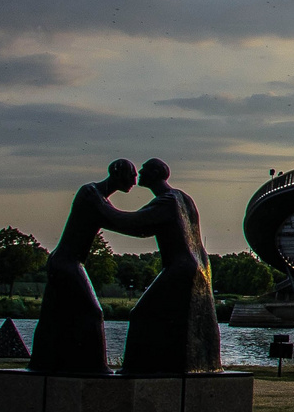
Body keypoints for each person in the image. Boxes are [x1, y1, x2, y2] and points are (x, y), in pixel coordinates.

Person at [99, 158, 221, 374]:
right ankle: (180, 364)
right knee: (182, 322)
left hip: (180, 269)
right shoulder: (183, 198)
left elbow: (135, 224)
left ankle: (137, 370)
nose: (139, 175)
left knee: (142, 315)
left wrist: (100, 209)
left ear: (154, 174)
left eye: (144, 171)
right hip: (200, 267)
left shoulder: (166, 201)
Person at [29, 159, 136, 374]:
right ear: (118, 174)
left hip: (64, 262)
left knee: (52, 316)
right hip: (67, 263)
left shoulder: (99, 196)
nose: (135, 181)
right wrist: (153, 222)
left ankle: (42, 363)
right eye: (132, 175)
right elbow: (117, 220)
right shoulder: (91, 194)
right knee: (93, 312)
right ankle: (96, 368)